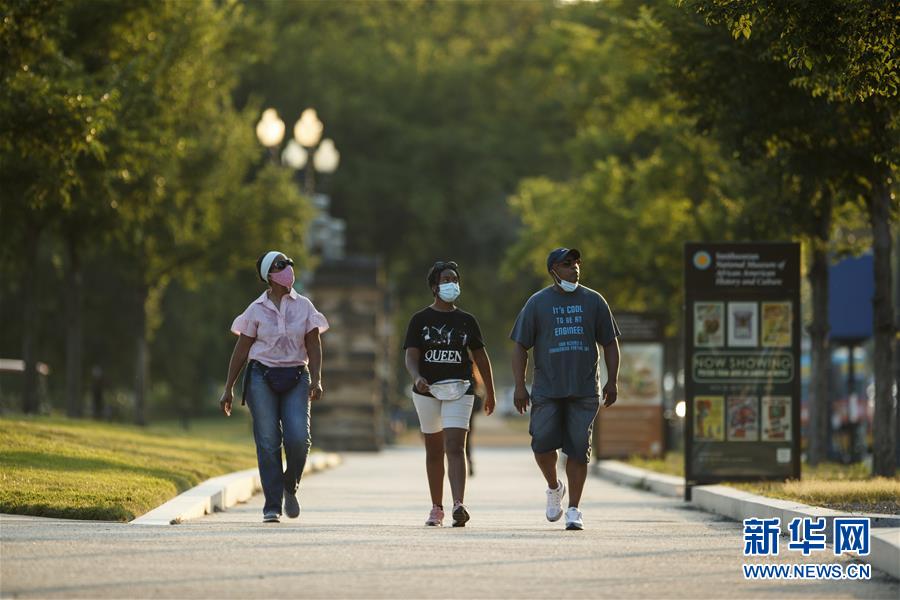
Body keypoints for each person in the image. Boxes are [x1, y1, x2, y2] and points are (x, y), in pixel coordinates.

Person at [510, 248, 620, 531]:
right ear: (553, 270)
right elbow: (520, 345)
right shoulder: (537, 303)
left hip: (584, 389)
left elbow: (609, 342)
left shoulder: (594, 301)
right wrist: (520, 386)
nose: (575, 268)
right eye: (567, 264)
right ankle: (553, 486)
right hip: (547, 389)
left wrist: (612, 380)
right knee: (541, 444)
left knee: (578, 448)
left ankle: (574, 510)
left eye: (577, 263)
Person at [219, 250, 329, 523]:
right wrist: (229, 387)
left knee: (298, 439)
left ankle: (290, 485)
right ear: (269, 274)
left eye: (290, 263)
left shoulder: (304, 306)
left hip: (296, 375)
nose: (289, 268)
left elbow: (314, 345)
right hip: (261, 376)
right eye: (282, 265)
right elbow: (242, 349)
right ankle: (272, 504)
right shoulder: (256, 310)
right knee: (268, 441)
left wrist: (316, 379)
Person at [403, 260, 497, 527]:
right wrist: (417, 376)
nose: (451, 284)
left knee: (455, 447)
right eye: (445, 279)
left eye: (454, 279)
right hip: (427, 391)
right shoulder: (419, 320)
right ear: (434, 287)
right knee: (434, 451)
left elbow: (481, 357)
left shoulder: (467, 321)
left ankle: (459, 504)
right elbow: (411, 355)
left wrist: (489, 392)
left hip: (461, 389)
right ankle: (436, 508)